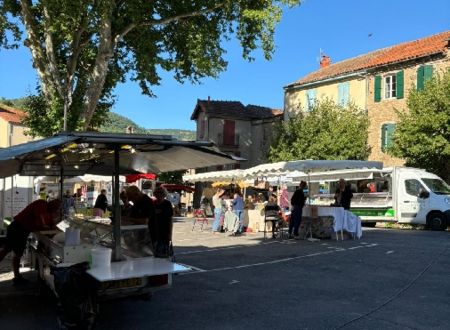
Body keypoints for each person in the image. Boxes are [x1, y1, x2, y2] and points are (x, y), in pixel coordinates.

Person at [0, 199, 62, 284]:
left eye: (57, 208)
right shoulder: (41, 204)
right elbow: (40, 223)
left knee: (17, 254)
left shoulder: (49, 212)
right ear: (51, 203)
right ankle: (17, 277)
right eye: (56, 207)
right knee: (6, 250)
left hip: (24, 231)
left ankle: (17, 277)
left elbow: (52, 225)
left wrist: (59, 231)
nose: (56, 210)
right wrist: (49, 228)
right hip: (17, 228)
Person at [149, 186, 174, 258]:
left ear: (164, 194)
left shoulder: (167, 204)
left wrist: (170, 234)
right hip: (153, 231)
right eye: (157, 193)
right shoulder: (153, 204)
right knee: (154, 251)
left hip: (164, 232)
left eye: (161, 193)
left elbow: (170, 220)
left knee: (163, 252)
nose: (158, 195)